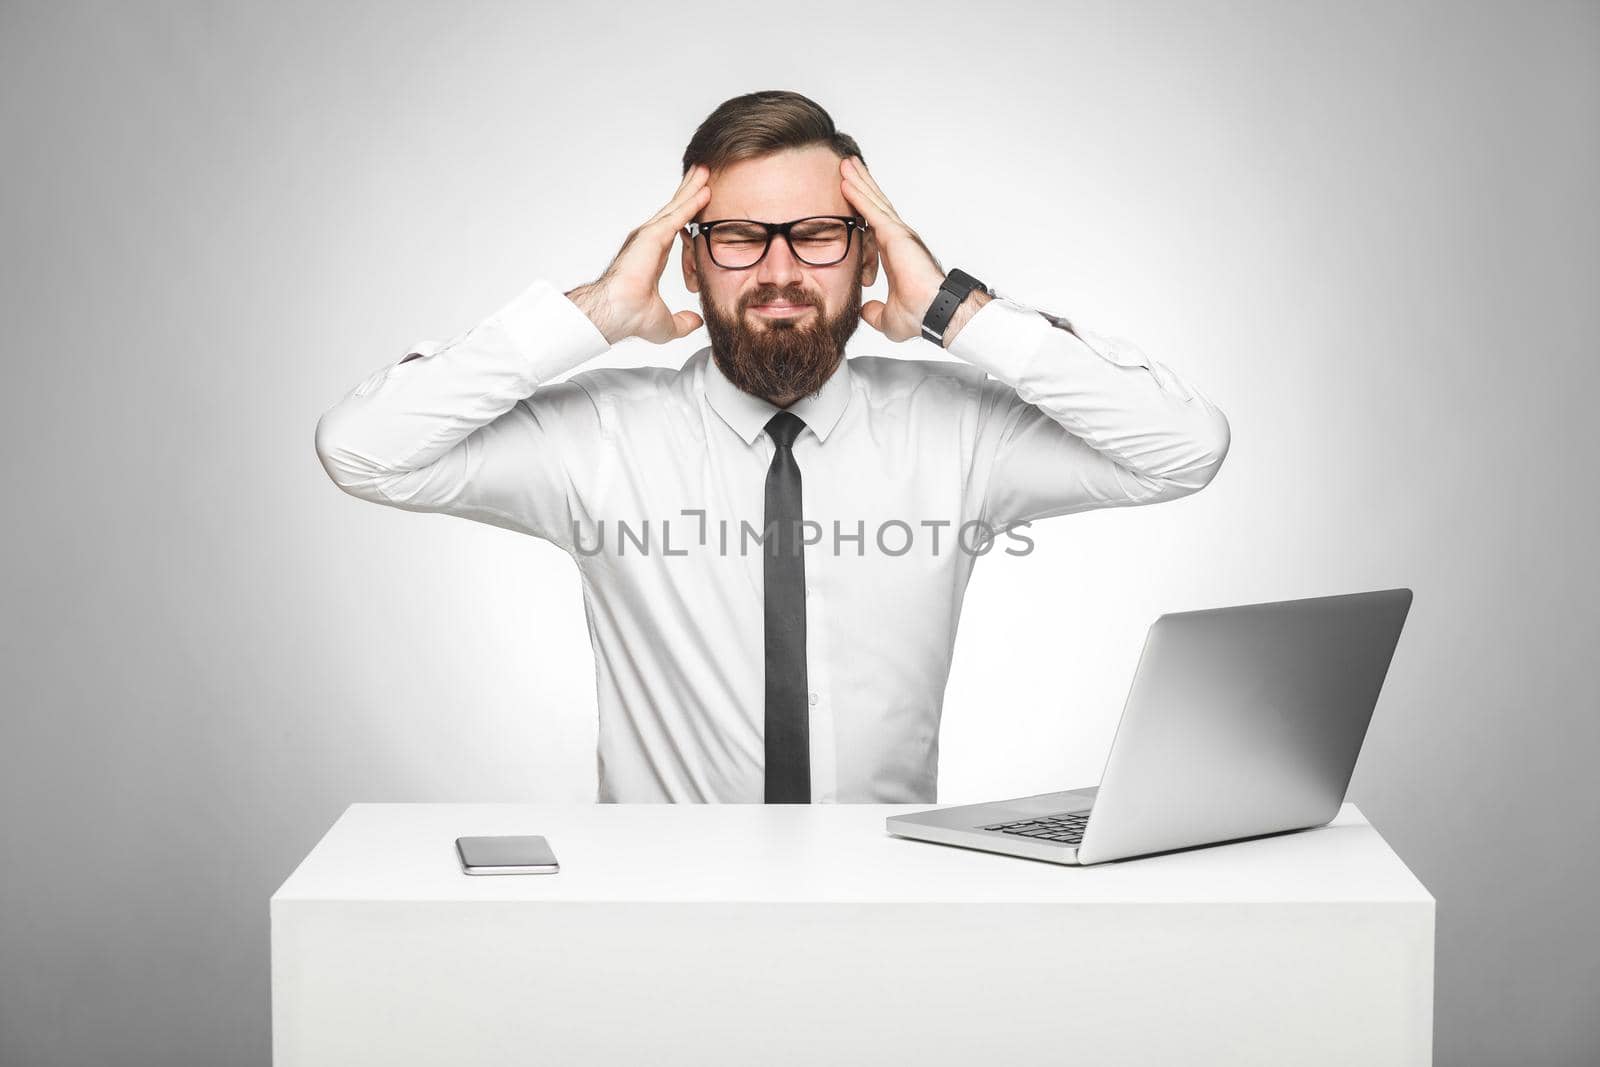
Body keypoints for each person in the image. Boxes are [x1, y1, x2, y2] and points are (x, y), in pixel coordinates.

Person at [314, 89, 1231, 805]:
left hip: (883, 908)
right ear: (689, 258)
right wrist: (591, 312)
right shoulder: (597, 439)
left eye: (821, 235)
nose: (782, 271)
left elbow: (1182, 449)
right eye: (741, 238)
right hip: (662, 919)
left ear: (870, 256)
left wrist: (957, 309)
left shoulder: (959, 432)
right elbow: (365, 450)